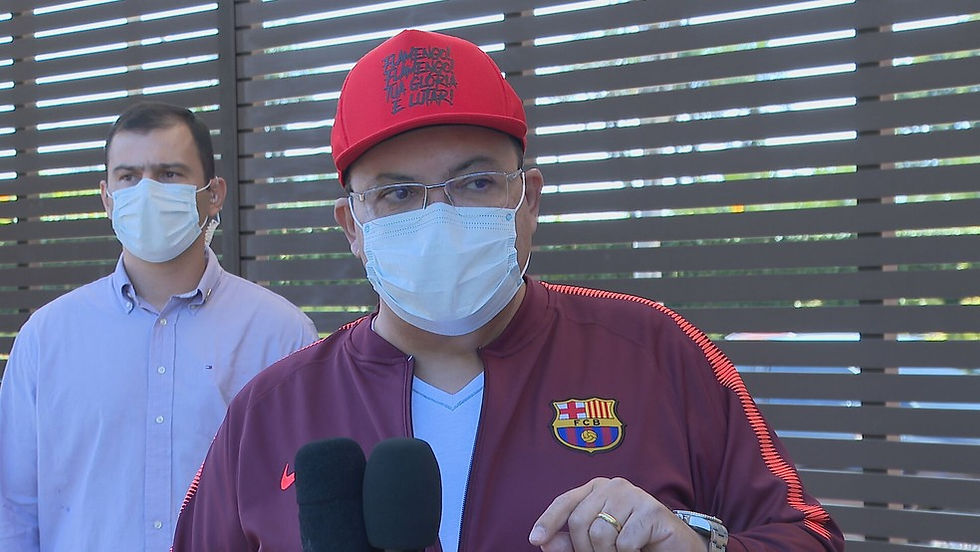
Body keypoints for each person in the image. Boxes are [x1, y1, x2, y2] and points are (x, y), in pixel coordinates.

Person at [172, 30, 844, 552]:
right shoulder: (270, 412)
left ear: (529, 200)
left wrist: (695, 545)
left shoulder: (657, 352)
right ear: (353, 226)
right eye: (398, 194)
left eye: (475, 183)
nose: (438, 218)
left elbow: (807, 535)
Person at [0, 102, 320, 551]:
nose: (146, 191)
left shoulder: (280, 335)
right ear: (107, 198)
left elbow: (300, 507)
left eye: (169, 174)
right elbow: (13, 510)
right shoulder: (46, 339)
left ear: (214, 194)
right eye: (128, 177)